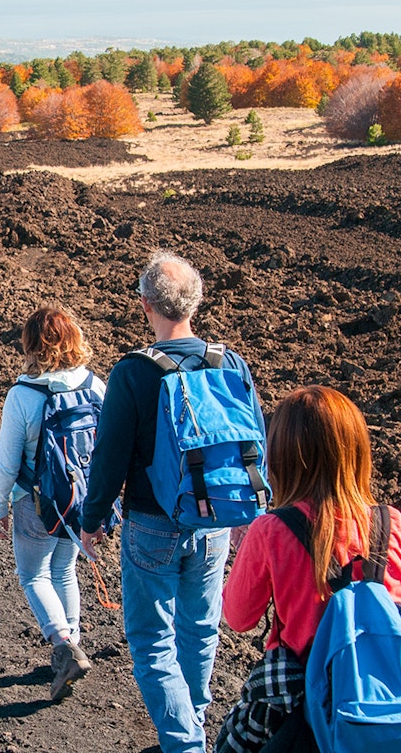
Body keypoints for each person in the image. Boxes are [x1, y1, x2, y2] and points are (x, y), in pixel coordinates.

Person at [79, 251, 265, 752]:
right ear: (195, 304)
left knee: (151, 641)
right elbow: (253, 443)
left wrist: (92, 520)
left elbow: (109, 458)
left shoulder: (134, 373)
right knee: (200, 629)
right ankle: (192, 725)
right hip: (214, 521)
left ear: (145, 306)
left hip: (151, 524)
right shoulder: (231, 362)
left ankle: (184, 743)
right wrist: (250, 512)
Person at [215, 386, 401, 752]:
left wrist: (248, 550)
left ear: (283, 456)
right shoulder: (393, 523)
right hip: (381, 702)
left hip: (303, 704)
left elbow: (238, 616)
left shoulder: (271, 530)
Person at [0, 306, 105, 701]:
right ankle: (71, 645)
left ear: (31, 346)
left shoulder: (23, 395)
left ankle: (63, 646)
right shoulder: (95, 386)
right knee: (64, 569)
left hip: (33, 502)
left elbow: (7, 461)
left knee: (35, 575)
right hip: (78, 501)